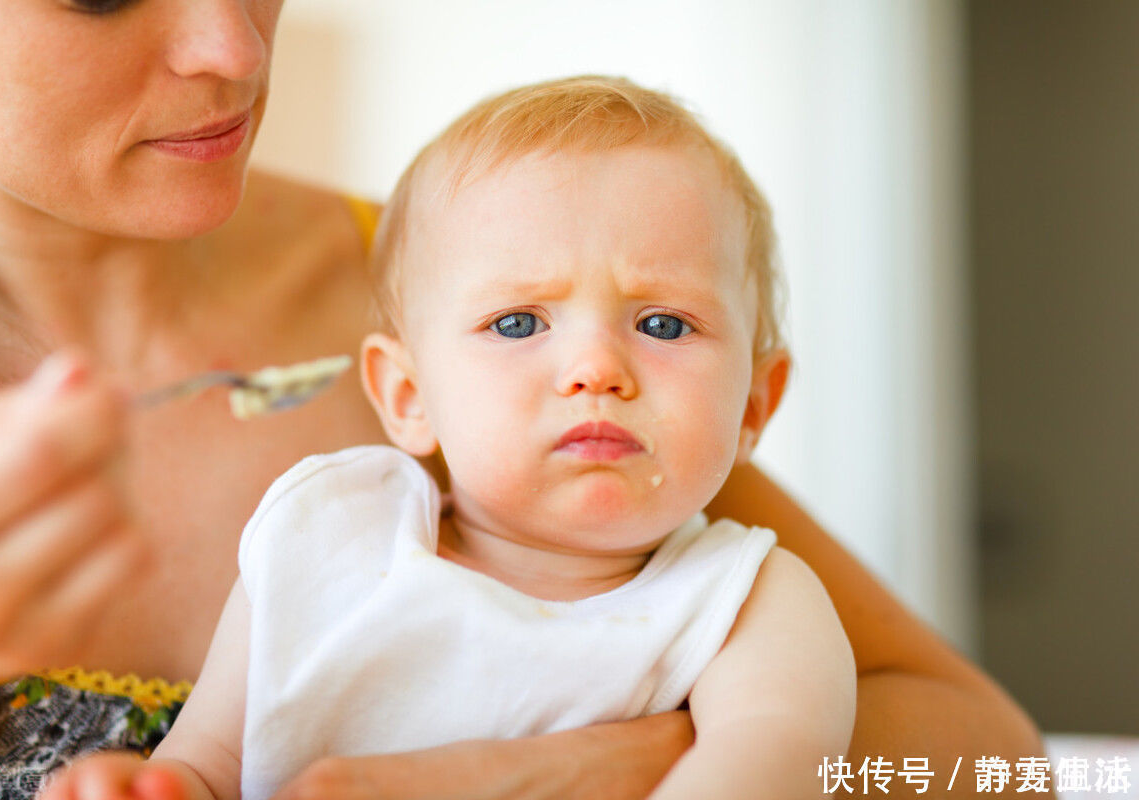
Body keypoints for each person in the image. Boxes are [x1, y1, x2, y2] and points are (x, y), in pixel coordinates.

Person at [0, 2, 1040, 799]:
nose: (233, 46)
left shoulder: (492, 269)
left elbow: (986, 751)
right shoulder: (356, 475)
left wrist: (561, 767)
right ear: (397, 391)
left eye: (662, 324)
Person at [41, 75, 859, 800]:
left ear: (755, 403)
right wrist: (147, 787)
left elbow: (770, 763)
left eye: (662, 322)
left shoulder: (747, 601)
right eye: (517, 321)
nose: (594, 369)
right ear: (407, 395)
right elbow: (210, 767)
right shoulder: (327, 534)